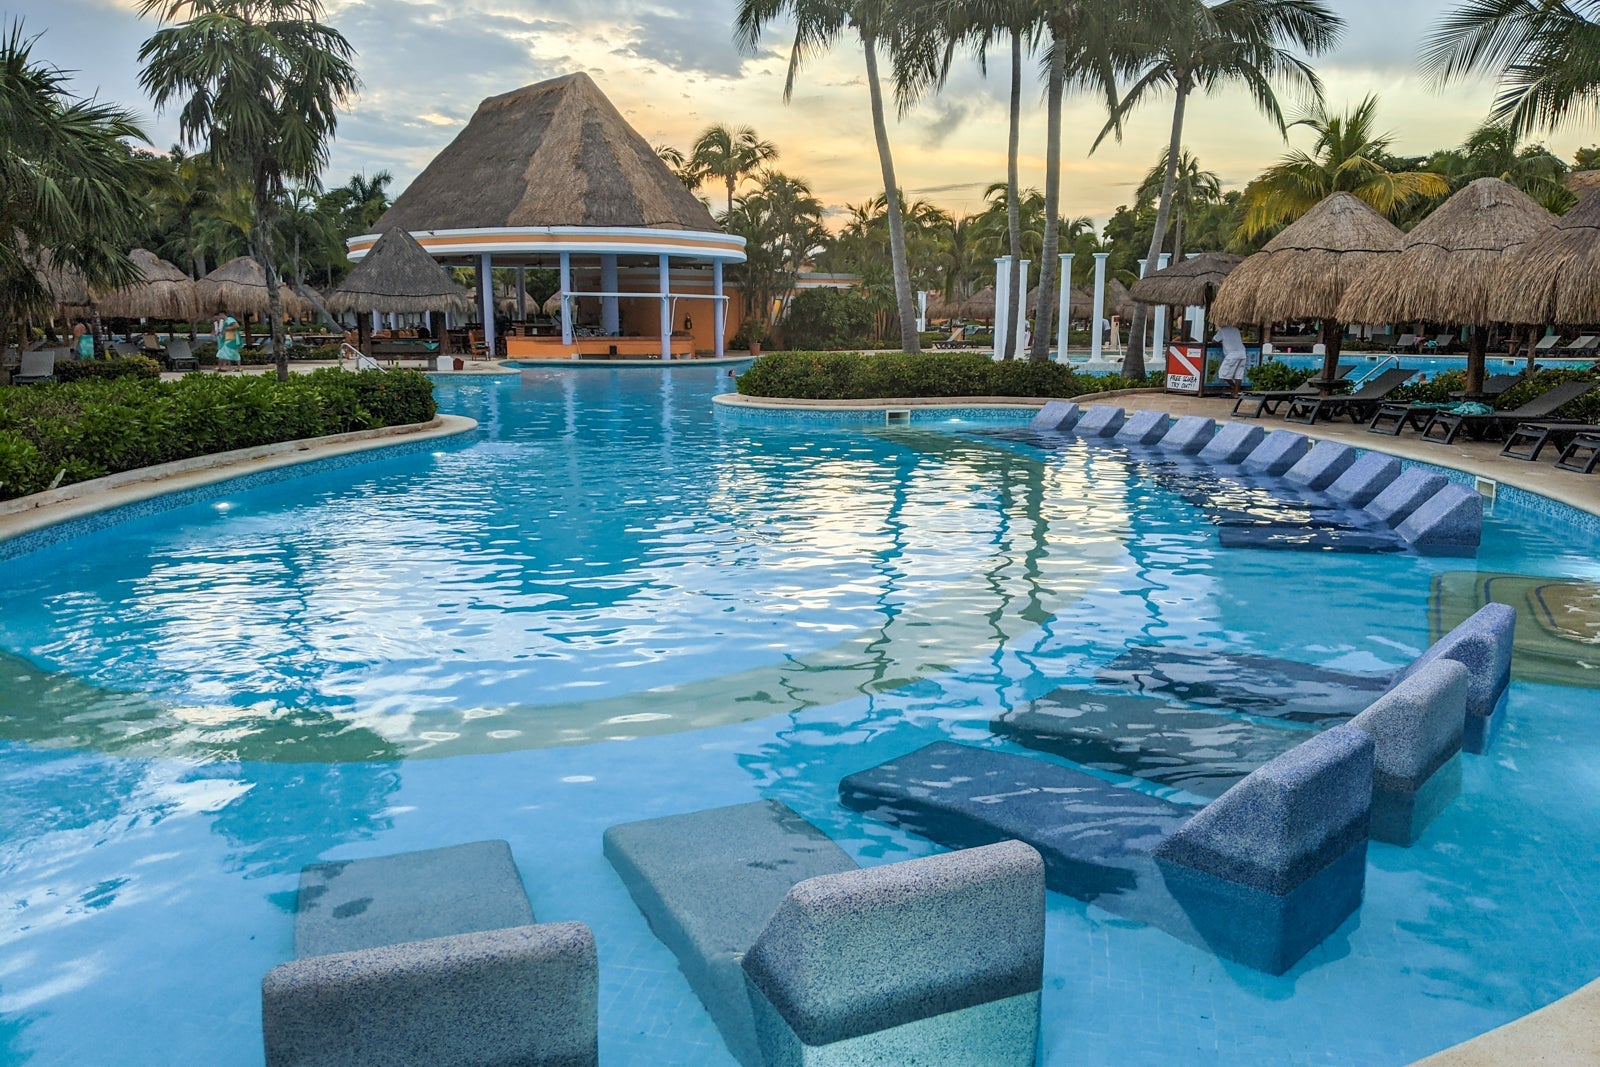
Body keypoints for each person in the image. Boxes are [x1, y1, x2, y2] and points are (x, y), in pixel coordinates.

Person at [1215, 325, 1249, 399]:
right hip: (1242, 353)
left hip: (1232, 354)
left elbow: (1214, 340)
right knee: (1238, 375)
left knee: (1222, 373)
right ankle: (1236, 393)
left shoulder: (1222, 331)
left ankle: (1233, 387)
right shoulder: (1236, 329)